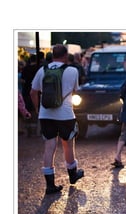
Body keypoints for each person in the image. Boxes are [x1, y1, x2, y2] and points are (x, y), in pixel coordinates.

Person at [30, 44, 84, 195]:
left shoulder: (42, 70)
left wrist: (37, 109)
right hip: (65, 114)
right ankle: (73, 175)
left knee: (49, 146)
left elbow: (33, 92)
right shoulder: (72, 70)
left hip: (45, 114)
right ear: (66, 56)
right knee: (68, 144)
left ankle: (50, 185)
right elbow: (75, 90)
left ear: (52, 55)